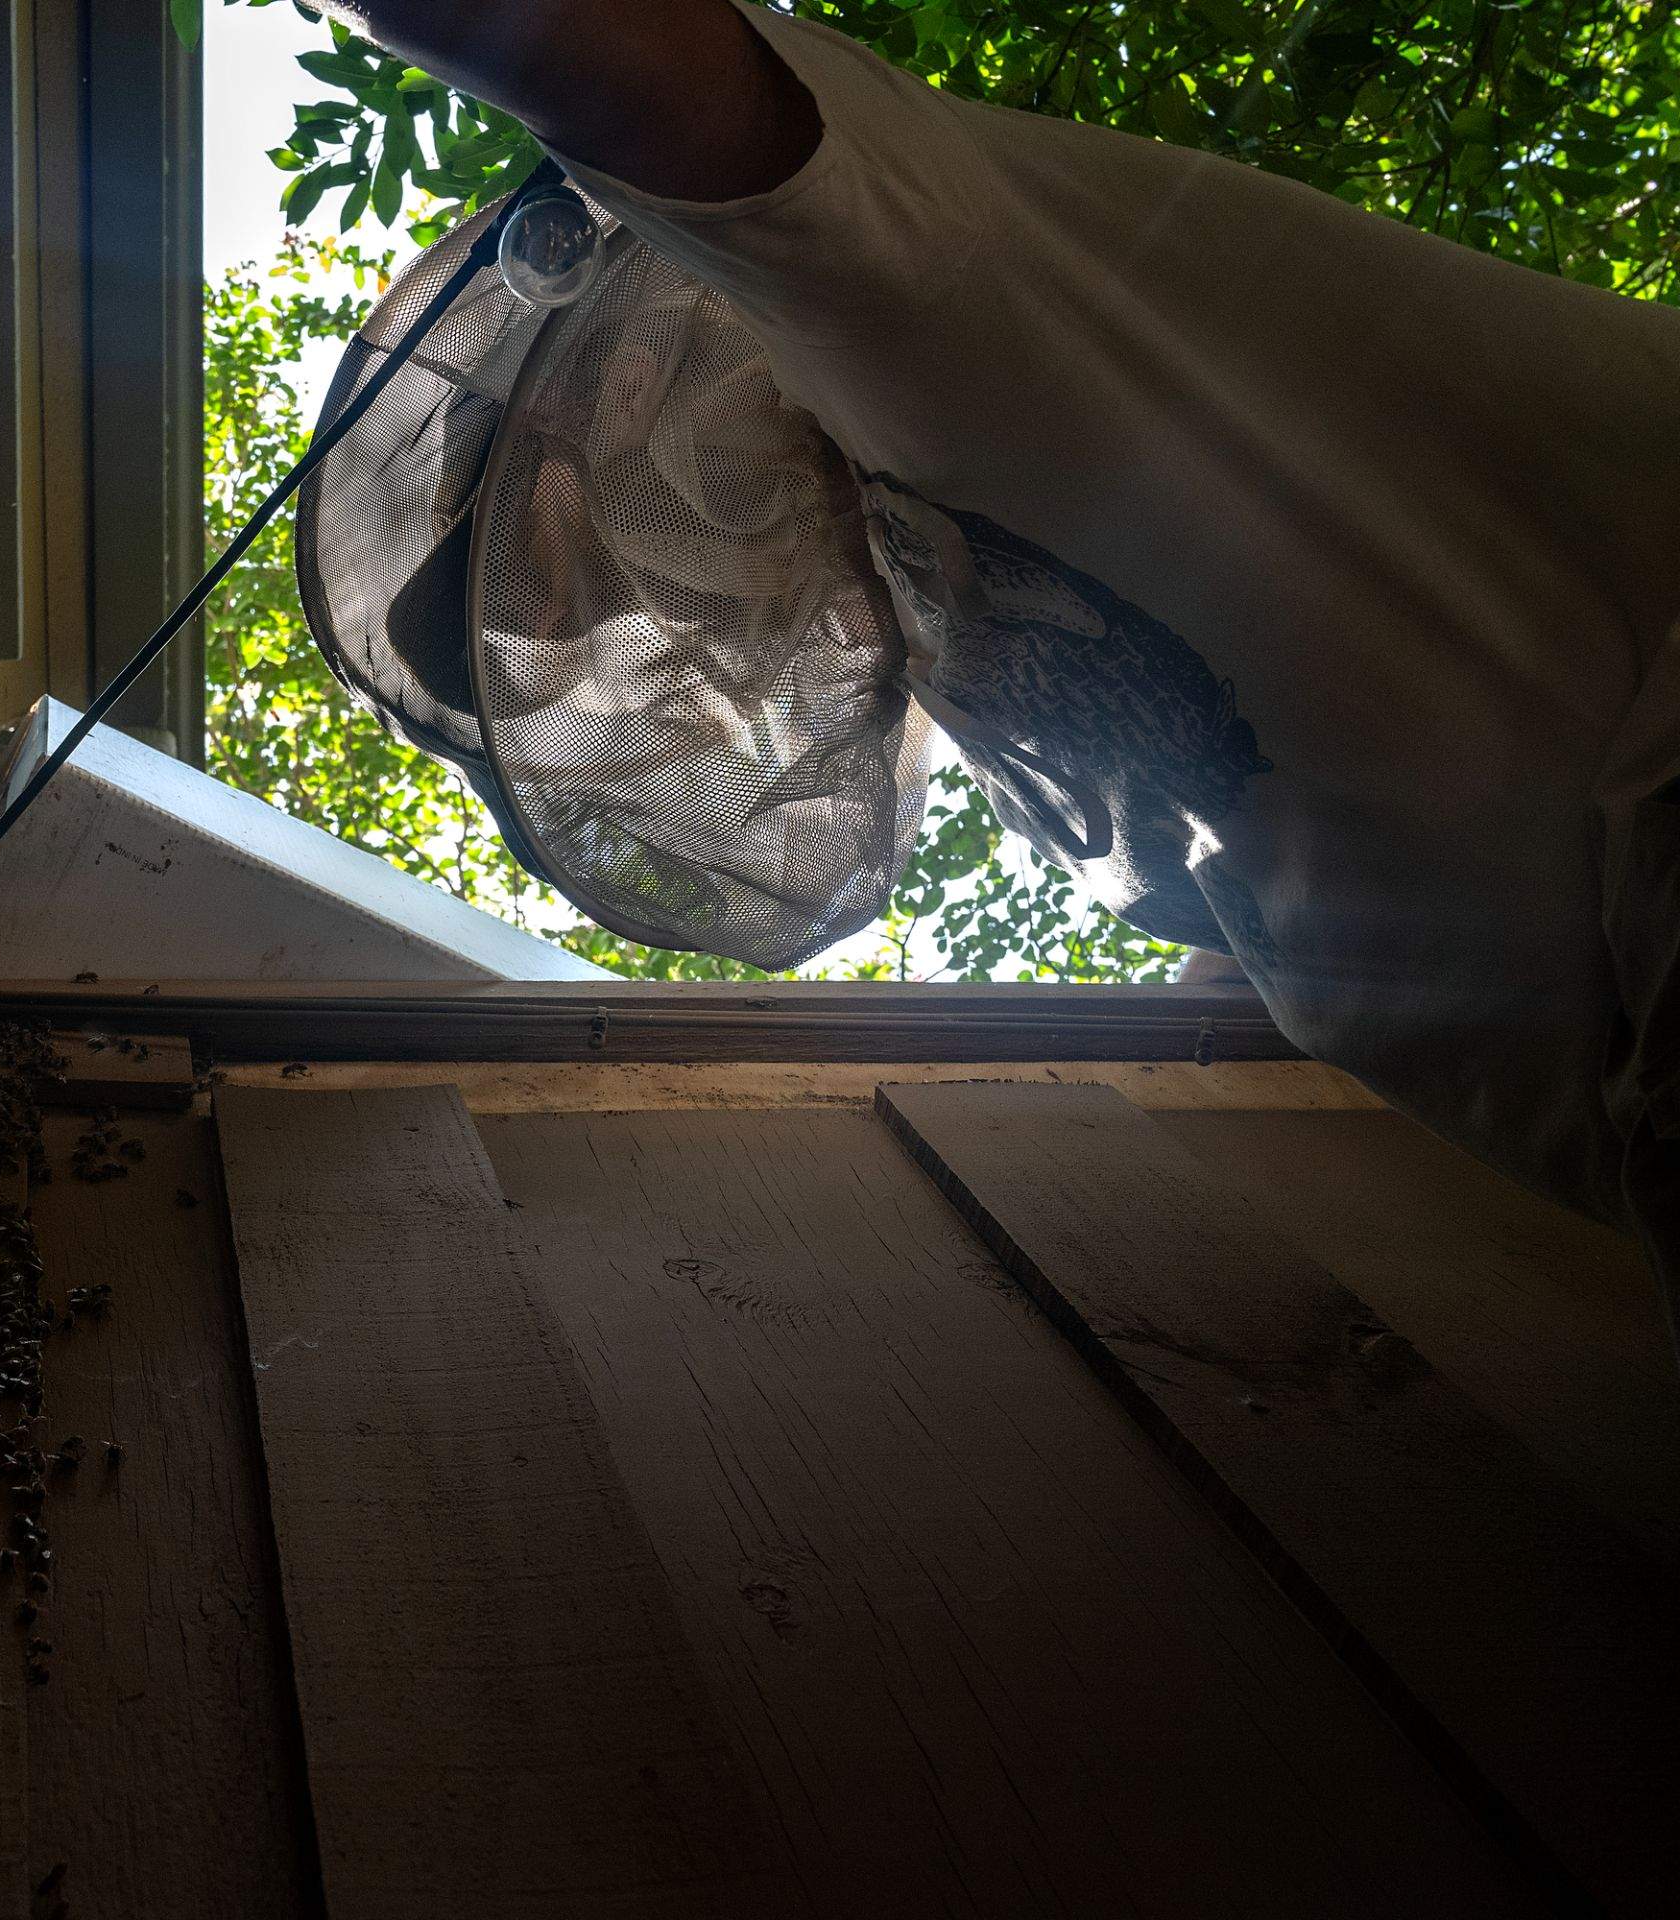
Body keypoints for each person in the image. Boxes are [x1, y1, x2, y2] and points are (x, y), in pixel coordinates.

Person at [317, 1, 1680, 1324]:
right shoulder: (948, 621)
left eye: (569, 560)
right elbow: (1294, 847)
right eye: (584, 618)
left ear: (628, 398)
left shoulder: (883, 291)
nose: (637, 616)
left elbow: (594, 50)